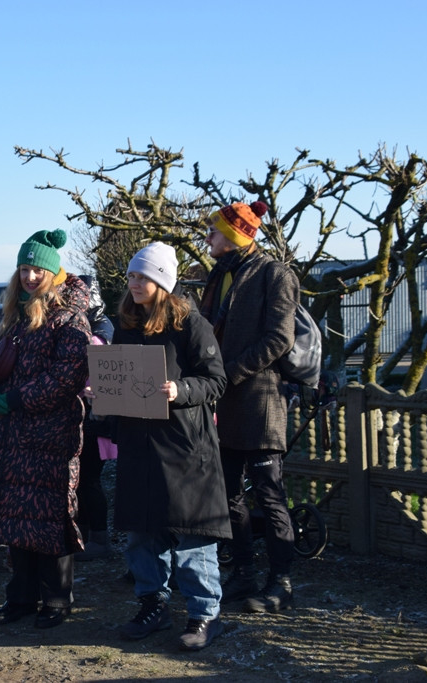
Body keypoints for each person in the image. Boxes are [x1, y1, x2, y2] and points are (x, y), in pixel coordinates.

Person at [109, 243, 231, 651]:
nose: (135, 284)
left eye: (142, 277)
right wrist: (102, 395)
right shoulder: (125, 323)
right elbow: (119, 379)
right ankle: (153, 605)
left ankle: (204, 614)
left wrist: (180, 389)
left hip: (185, 450)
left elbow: (216, 380)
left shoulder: (190, 324)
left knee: (192, 535)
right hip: (139, 448)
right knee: (142, 534)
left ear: (162, 281)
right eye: (131, 276)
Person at [0, 229, 90, 630]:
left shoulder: (68, 317)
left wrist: (16, 399)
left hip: (50, 437)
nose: (29, 276)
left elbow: (66, 377)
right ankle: (20, 596)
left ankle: (57, 599)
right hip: (9, 439)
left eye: (37, 268)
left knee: (52, 517)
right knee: (15, 520)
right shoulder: (8, 316)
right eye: (24, 268)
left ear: (53, 271)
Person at [199, 201, 299, 613]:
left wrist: (229, 373)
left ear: (237, 235)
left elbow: (279, 339)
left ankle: (281, 583)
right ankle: (243, 573)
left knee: (269, 495)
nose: (207, 237)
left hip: (259, 402)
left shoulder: (274, 274)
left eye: (214, 231)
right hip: (221, 403)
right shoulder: (218, 275)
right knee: (227, 496)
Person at [74, 275, 115, 562]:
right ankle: (86, 534)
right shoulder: (96, 323)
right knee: (81, 481)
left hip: (96, 418)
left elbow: (94, 358)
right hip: (86, 415)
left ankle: (99, 538)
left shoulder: (100, 328)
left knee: (89, 479)